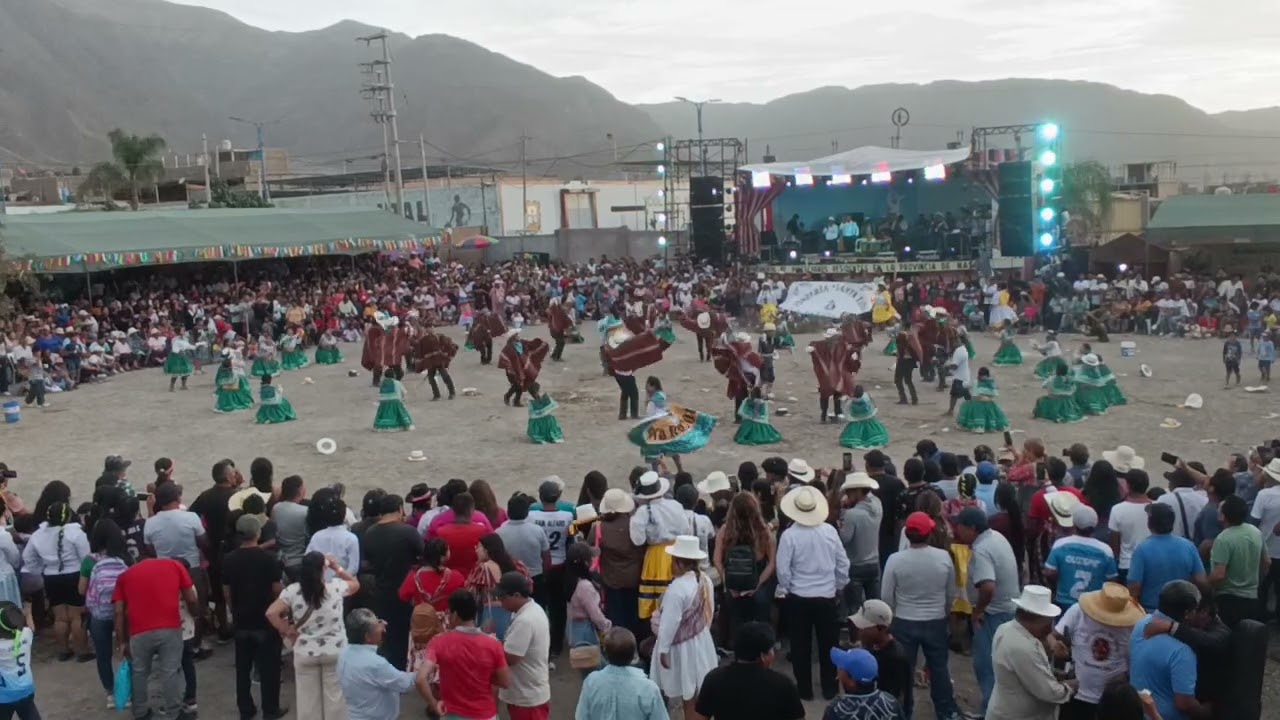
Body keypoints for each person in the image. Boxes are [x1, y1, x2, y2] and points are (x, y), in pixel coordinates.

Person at [881, 511, 959, 720]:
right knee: (939, 668)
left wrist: (893, 618)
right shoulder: (943, 557)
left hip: (904, 621)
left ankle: (904, 712)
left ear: (907, 534)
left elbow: (886, 596)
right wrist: (943, 614)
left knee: (904, 672)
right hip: (935, 620)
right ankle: (946, 711)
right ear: (929, 533)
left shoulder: (895, 560)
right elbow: (951, 592)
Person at [776, 485, 849, 700]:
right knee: (829, 645)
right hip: (826, 596)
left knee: (800, 646)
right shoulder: (829, 532)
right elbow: (843, 564)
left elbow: (783, 570)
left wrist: (789, 588)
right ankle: (830, 688)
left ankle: (805, 690)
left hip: (799, 597)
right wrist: (837, 586)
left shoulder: (789, 536)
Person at [267, 552, 360, 720]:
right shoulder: (336, 587)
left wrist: (287, 630)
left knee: (308, 701)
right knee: (335, 699)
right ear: (323, 569)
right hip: (335, 651)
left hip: (305, 652)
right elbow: (355, 584)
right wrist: (336, 566)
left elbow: (271, 613)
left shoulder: (292, 591)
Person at [112, 556, 200, 720]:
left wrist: (122, 641)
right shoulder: (174, 565)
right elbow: (191, 598)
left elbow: (118, 612)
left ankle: (140, 712)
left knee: (139, 672)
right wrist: (197, 615)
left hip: (138, 631)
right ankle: (174, 713)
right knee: (170, 671)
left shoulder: (125, 575)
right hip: (170, 627)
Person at [953, 506, 1021, 716]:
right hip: (1008, 609)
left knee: (986, 665)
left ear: (972, 528)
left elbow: (988, 586)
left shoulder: (982, 549)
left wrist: (979, 610)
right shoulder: (995, 537)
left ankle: (990, 713)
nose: (957, 531)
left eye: (960, 527)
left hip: (993, 614)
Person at [221, 515, 287, 720]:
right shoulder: (268, 559)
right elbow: (277, 589)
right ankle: (270, 710)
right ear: (258, 533)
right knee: (270, 669)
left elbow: (226, 592)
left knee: (243, 669)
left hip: (242, 620)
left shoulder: (229, 559)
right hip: (265, 620)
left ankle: (246, 709)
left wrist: (235, 609)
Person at [1053, 583, 1145, 720]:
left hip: (1111, 701)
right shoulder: (1078, 611)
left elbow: (1137, 661)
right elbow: (1052, 636)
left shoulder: (1133, 626)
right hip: (1075, 693)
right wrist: (1056, 646)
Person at [650, 535, 718, 719]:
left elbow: (669, 624)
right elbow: (708, 612)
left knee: (688, 695)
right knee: (697, 692)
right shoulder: (705, 580)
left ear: (679, 563)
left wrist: (663, 649)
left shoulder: (677, 588)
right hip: (702, 640)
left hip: (682, 647)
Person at [986, 585, 1075, 720]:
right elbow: (1049, 692)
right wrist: (1070, 687)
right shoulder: (1023, 646)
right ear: (1038, 618)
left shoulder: (1006, 629)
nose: (1050, 627)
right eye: (1049, 621)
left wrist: (1052, 673)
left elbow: (1026, 671)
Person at [421, 589, 511, 720]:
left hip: (451, 714)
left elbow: (420, 679)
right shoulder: (493, 644)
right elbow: (505, 682)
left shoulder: (438, 642)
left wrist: (434, 704)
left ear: (455, 615)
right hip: (484, 714)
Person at [23, 500, 91, 661]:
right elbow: (85, 557)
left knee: (60, 616)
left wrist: (39, 570)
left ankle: (64, 650)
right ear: (68, 517)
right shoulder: (76, 533)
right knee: (77, 616)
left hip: (51, 577)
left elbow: (28, 557)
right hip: (74, 575)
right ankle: (82, 651)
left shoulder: (38, 535)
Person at [692, 622, 804, 720]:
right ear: (763, 656)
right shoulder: (783, 685)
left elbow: (699, 718)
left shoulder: (714, 679)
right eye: (771, 650)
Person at [361, 493, 423, 670]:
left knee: (385, 633)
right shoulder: (408, 532)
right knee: (402, 634)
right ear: (400, 509)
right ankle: (400, 670)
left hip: (380, 590)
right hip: (405, 592)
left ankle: (384, 668)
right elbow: (422, 554)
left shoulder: (370, 533)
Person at [337, 608, 432, 720]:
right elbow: (405, 683)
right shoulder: (375, 664)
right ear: (367, 636)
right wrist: (427, 667)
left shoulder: (343, 653)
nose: (384, 624)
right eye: (378, 623)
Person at [1129, 580, 1205, 720]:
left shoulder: (1141, 623)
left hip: (1136, 712)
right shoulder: (1182, 650)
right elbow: (1184, 703)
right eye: (1196, 609)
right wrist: (1204, 711)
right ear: (1187, 613)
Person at [81, 520, 131, 707]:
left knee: (103, 656)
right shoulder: (124, 560)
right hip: (123, 613)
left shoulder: (91, 561)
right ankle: (128, 691)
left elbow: (87, 592)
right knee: (127, 651)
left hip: (100, 616)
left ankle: (110, 693)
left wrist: (92, 609)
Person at [494, 571, 552, 720]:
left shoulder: (525, 620)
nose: (500, 602)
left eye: (503, 597)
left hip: (527, 696)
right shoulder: (529, 610)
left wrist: (490, 643)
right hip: (527, 690)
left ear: (517, 595)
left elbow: (510, 657)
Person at [576, 627, 669, 720]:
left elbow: (581, 716)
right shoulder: (649, 688)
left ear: (605, 653)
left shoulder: (591, 682)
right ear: (633, 656)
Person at [1128, 504, 1207, 612]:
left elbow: (1134, 587)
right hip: (1182, 612)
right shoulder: (1188, 546)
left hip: (1152, 612)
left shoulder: (1142, 549)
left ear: (1149, 523)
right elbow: (1201, 580)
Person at [631, 472, 688, 622]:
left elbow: (638, 540)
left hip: (656, 557)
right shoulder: (675, 505)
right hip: (677, 552)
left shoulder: (643, 512)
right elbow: (685, 528)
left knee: (656, 600)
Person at [527, 479, 574, 656]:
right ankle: (556, 645)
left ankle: (539, 642)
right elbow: (572, 540)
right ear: (559, 497)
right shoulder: (567, 517)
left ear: (540, 497)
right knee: (558, 608)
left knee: (538, 606)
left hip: (539, 566)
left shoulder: (531, 517)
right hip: (559, 565)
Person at [1044, 504, 1118, 609]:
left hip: (1064, 602)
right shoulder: (1105, 550)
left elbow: (1049, 571)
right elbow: (1112, 579)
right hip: (1093, 606)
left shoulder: (1060, 544)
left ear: (1074, 523)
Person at [1208, 495, 1264, 626]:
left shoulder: (1223, 539)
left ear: (1223, 515)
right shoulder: (1255, 532)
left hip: (1228, 599)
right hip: (1252, 597)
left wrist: (1206, 584)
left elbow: (1219, 574)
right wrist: (1256, 581)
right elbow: (1266, 562)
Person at [849, 600, 911, 711]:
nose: (859, 630)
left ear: (882, 628)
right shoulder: (872, 647)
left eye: (864, 627)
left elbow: (897, 701)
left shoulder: (895, 659)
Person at [838, 472, 883, 615]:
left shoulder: (852, 515)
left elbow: (844, 539)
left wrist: (841, 519)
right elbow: (870, 496)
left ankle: (856, 637)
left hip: (855, 565)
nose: (847, 495)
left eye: (849, 492)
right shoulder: (877, 505)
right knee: (875, 609)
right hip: (874, 563)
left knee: (855, 611)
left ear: (857, 491)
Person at [825, 647, 906, 720]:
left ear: (851, 681)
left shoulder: (836, 709)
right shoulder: (891, 702)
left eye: (841, 668)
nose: (838, 671)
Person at [1108, 469, 1153, 583]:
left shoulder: (1117, 509)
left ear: (1127, 486)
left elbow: (1115, 545)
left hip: (1127, 564)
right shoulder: (1157, 507)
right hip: (1151, 563)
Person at [0, 602, 37, 720]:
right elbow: (31, 628)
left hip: (5, 696)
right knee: (29, 713)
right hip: (27, 689)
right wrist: (28, 613)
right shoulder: (26, 634)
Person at [271, 475, 309, 581]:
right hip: (299, 560)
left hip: (281, 559)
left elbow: (274, 531)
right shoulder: (305, 511)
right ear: (300, 491)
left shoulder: (276, 508)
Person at [955, 367, 1010, 433]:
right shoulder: (991, 383)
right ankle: (987, 427)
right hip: (988, 403)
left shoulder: (976, 382)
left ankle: (979, 427)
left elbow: (966, 386)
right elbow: (994, 394)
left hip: (976, 403)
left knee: (967, 406)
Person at [372, 365, 414, 431]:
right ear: (394, 375)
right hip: (395, 401)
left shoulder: (382, 384)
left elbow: (380, 394)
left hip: (383, 403)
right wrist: (403, 399)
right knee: (402, 412)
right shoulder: (397, 382)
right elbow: (404, 392)